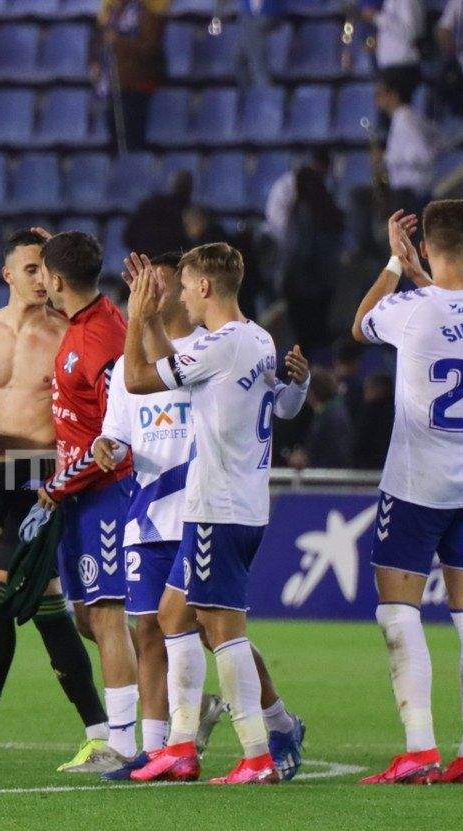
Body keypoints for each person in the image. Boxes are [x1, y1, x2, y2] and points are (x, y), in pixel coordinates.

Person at [96, 250, 310, 781]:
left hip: (219, 504)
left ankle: (258, 754)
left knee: (225, 630)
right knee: (173, 616)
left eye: (187, 287)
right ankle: (182, 745)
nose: (183, 297)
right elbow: (177, 373)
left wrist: (141, 313)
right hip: (231, 502)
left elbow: (142, 379)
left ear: (208, 287)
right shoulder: (256, 338)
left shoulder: (222, 345)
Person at [350, 201, 463, 784]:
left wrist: (395, 264)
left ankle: (420, 748)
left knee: (398, 613)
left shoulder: (411, 310)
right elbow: (452, 309)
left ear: (426, 247)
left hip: (417, 486)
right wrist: (420, 271)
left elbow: (361, 321)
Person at [0, 229, 110, 770]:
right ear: (8, 274)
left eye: (45, 268)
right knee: (42, 606)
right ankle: (105, 729)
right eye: (30, 269)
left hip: (49, 481)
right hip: (0, 483)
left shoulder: (66, 334)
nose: (41, 278)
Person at [30, 230, 139, 774]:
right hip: (83, 494)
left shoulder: (98, 339)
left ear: (53, 278)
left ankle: (123, 744)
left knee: (107, 615)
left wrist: (57, 484)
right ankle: (168, 699)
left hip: (105, 493)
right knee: (90, 621)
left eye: (42, 272)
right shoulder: (91, 320)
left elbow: (115, 437)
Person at [278, 165, 347, 358]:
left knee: (305, 343)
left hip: (301, 287)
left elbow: (298, 250)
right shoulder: (330, 209)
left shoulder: (302, 211)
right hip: (324, 286)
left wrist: (284, 280)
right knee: (319, 338)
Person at [98, 0, 168, 152]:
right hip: (113, 85)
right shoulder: (112, 15)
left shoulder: (147, 16)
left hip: (136, 87)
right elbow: (99, 42)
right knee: (114, 136)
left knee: (132, 138)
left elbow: (150, 50)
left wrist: (120, 43)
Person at [375, 79, 438, 206]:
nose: (376, 100)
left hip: (412, 193)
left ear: (394, 94)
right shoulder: (399, 119)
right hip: (405, 192)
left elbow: (423, 156)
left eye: (380, 94)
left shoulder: (405, 119)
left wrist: (386, 157)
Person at [363, 0, 424, 105]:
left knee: (400, 116)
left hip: (402, 69)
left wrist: (377, 17)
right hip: (389, 69)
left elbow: (411, 31)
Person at [123, 171, 193, 259]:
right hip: (167, 265)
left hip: (144, 263)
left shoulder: (148, 204)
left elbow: (128, 237)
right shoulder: (188, 214)